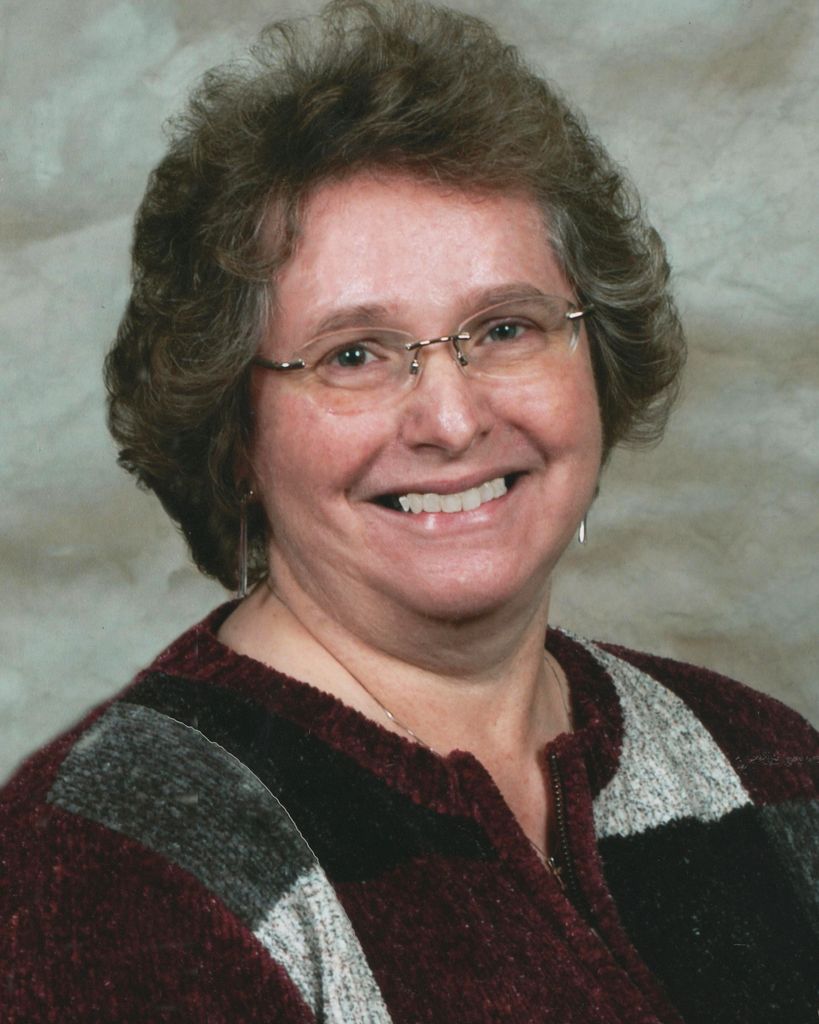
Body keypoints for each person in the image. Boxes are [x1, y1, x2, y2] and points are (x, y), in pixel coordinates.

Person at [1, 1, 816, 1021]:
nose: (451, 419)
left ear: (597, 364)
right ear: (236, 429)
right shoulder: (107, 875)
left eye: (506, 328)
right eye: (353, 354)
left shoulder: (765, 763)